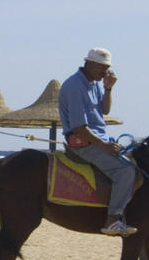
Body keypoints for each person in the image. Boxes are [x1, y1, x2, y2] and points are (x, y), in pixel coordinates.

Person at [58, 47, 137, 236]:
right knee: (125, 172)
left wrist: (108, 88)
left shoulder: (93, 82)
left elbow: (105, 110)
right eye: (102, 67)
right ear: (89, 63)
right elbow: (79, 127)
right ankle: (113, 219)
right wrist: (104, 146)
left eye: (107, 67)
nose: (105, 71)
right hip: (83, 142)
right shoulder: (75, 86)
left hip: (98, 139)